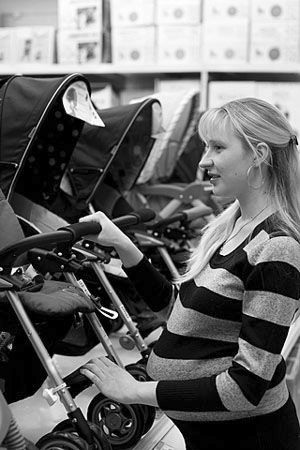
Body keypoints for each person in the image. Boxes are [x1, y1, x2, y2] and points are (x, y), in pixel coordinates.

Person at [79, 97, 300, 450]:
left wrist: (135, 391)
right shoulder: (231, 225)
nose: (203, 161)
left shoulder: (276, 248)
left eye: (217, 147)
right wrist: (123, 245)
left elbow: (246, 387)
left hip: (249, 438)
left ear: (258, 154)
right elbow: (179, 311)